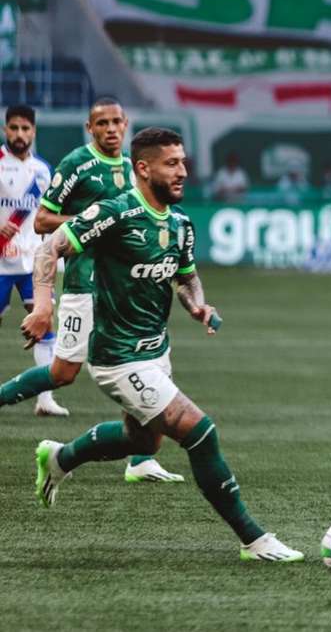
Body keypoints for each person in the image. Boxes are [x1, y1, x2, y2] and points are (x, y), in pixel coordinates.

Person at [23, 127, 304, 562]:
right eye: (172, 163)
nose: (183, 172)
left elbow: (186, 276)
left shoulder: (180, 224)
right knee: (201, 433)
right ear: (143, 168)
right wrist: (43, 306)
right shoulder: (114, 213)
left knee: (143, 443)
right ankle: (255, 539)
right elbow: (48, 251)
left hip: (156, 352)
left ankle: (60, 457)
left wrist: (198, 306)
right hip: (117, 359)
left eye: (184, 162)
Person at [0, 98, 183, 483]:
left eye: (117, 121)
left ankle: (140, 460)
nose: (111, 129)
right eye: (102, 123)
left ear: (126, 123)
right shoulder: (77, 164)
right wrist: (92, 222)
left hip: (125, 288)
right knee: (63, 372)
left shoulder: (139, 168)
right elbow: (43, 220)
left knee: (143, 362)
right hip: (85, 285)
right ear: (90, 127)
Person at [0, 105, 63, 416]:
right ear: (5, 129)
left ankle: (45, 400)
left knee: (43, 322)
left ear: (34, 131)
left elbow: (47, 215)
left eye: (25, 129)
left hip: (32, 263)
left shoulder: (43, 171)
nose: (19, 134)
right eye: (14, 128)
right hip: (0, 262)